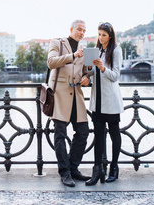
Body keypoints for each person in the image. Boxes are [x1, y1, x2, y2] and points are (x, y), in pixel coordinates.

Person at [47, 19, 91, 187]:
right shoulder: (57, 43)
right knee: (59, 135)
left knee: (83, 132)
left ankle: (73, 168)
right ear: (71, 29)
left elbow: (87, 71)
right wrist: (72, 56)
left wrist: (87, 78)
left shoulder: (84, 50)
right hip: (59, 96)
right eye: (79, 29)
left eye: (84, 31)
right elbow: (51, 63)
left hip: (76, 96)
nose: (81, 33)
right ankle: (64, 172)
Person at [82, 22, 124, 186]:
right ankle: (97, 170)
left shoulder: (116, 50)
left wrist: (102, 67)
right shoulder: (96, 50)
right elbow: (93, 71)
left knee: (114, 134)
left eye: (104, 35)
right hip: (97, 100)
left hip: (111, 100)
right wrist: (88, 73)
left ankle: (114, 167)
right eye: (99, 34)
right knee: (98, 135)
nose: (100, 37)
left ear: (110, 36)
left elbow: (115, 76)